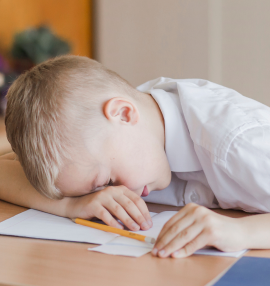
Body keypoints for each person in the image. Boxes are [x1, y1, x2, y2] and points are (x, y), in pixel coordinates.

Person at [1, 55, 270, 259]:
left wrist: (240, 232)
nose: (117, 192)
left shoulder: (237, 142)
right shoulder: (105, 134)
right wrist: (72, 205)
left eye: (106, 180)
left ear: (124, 114)